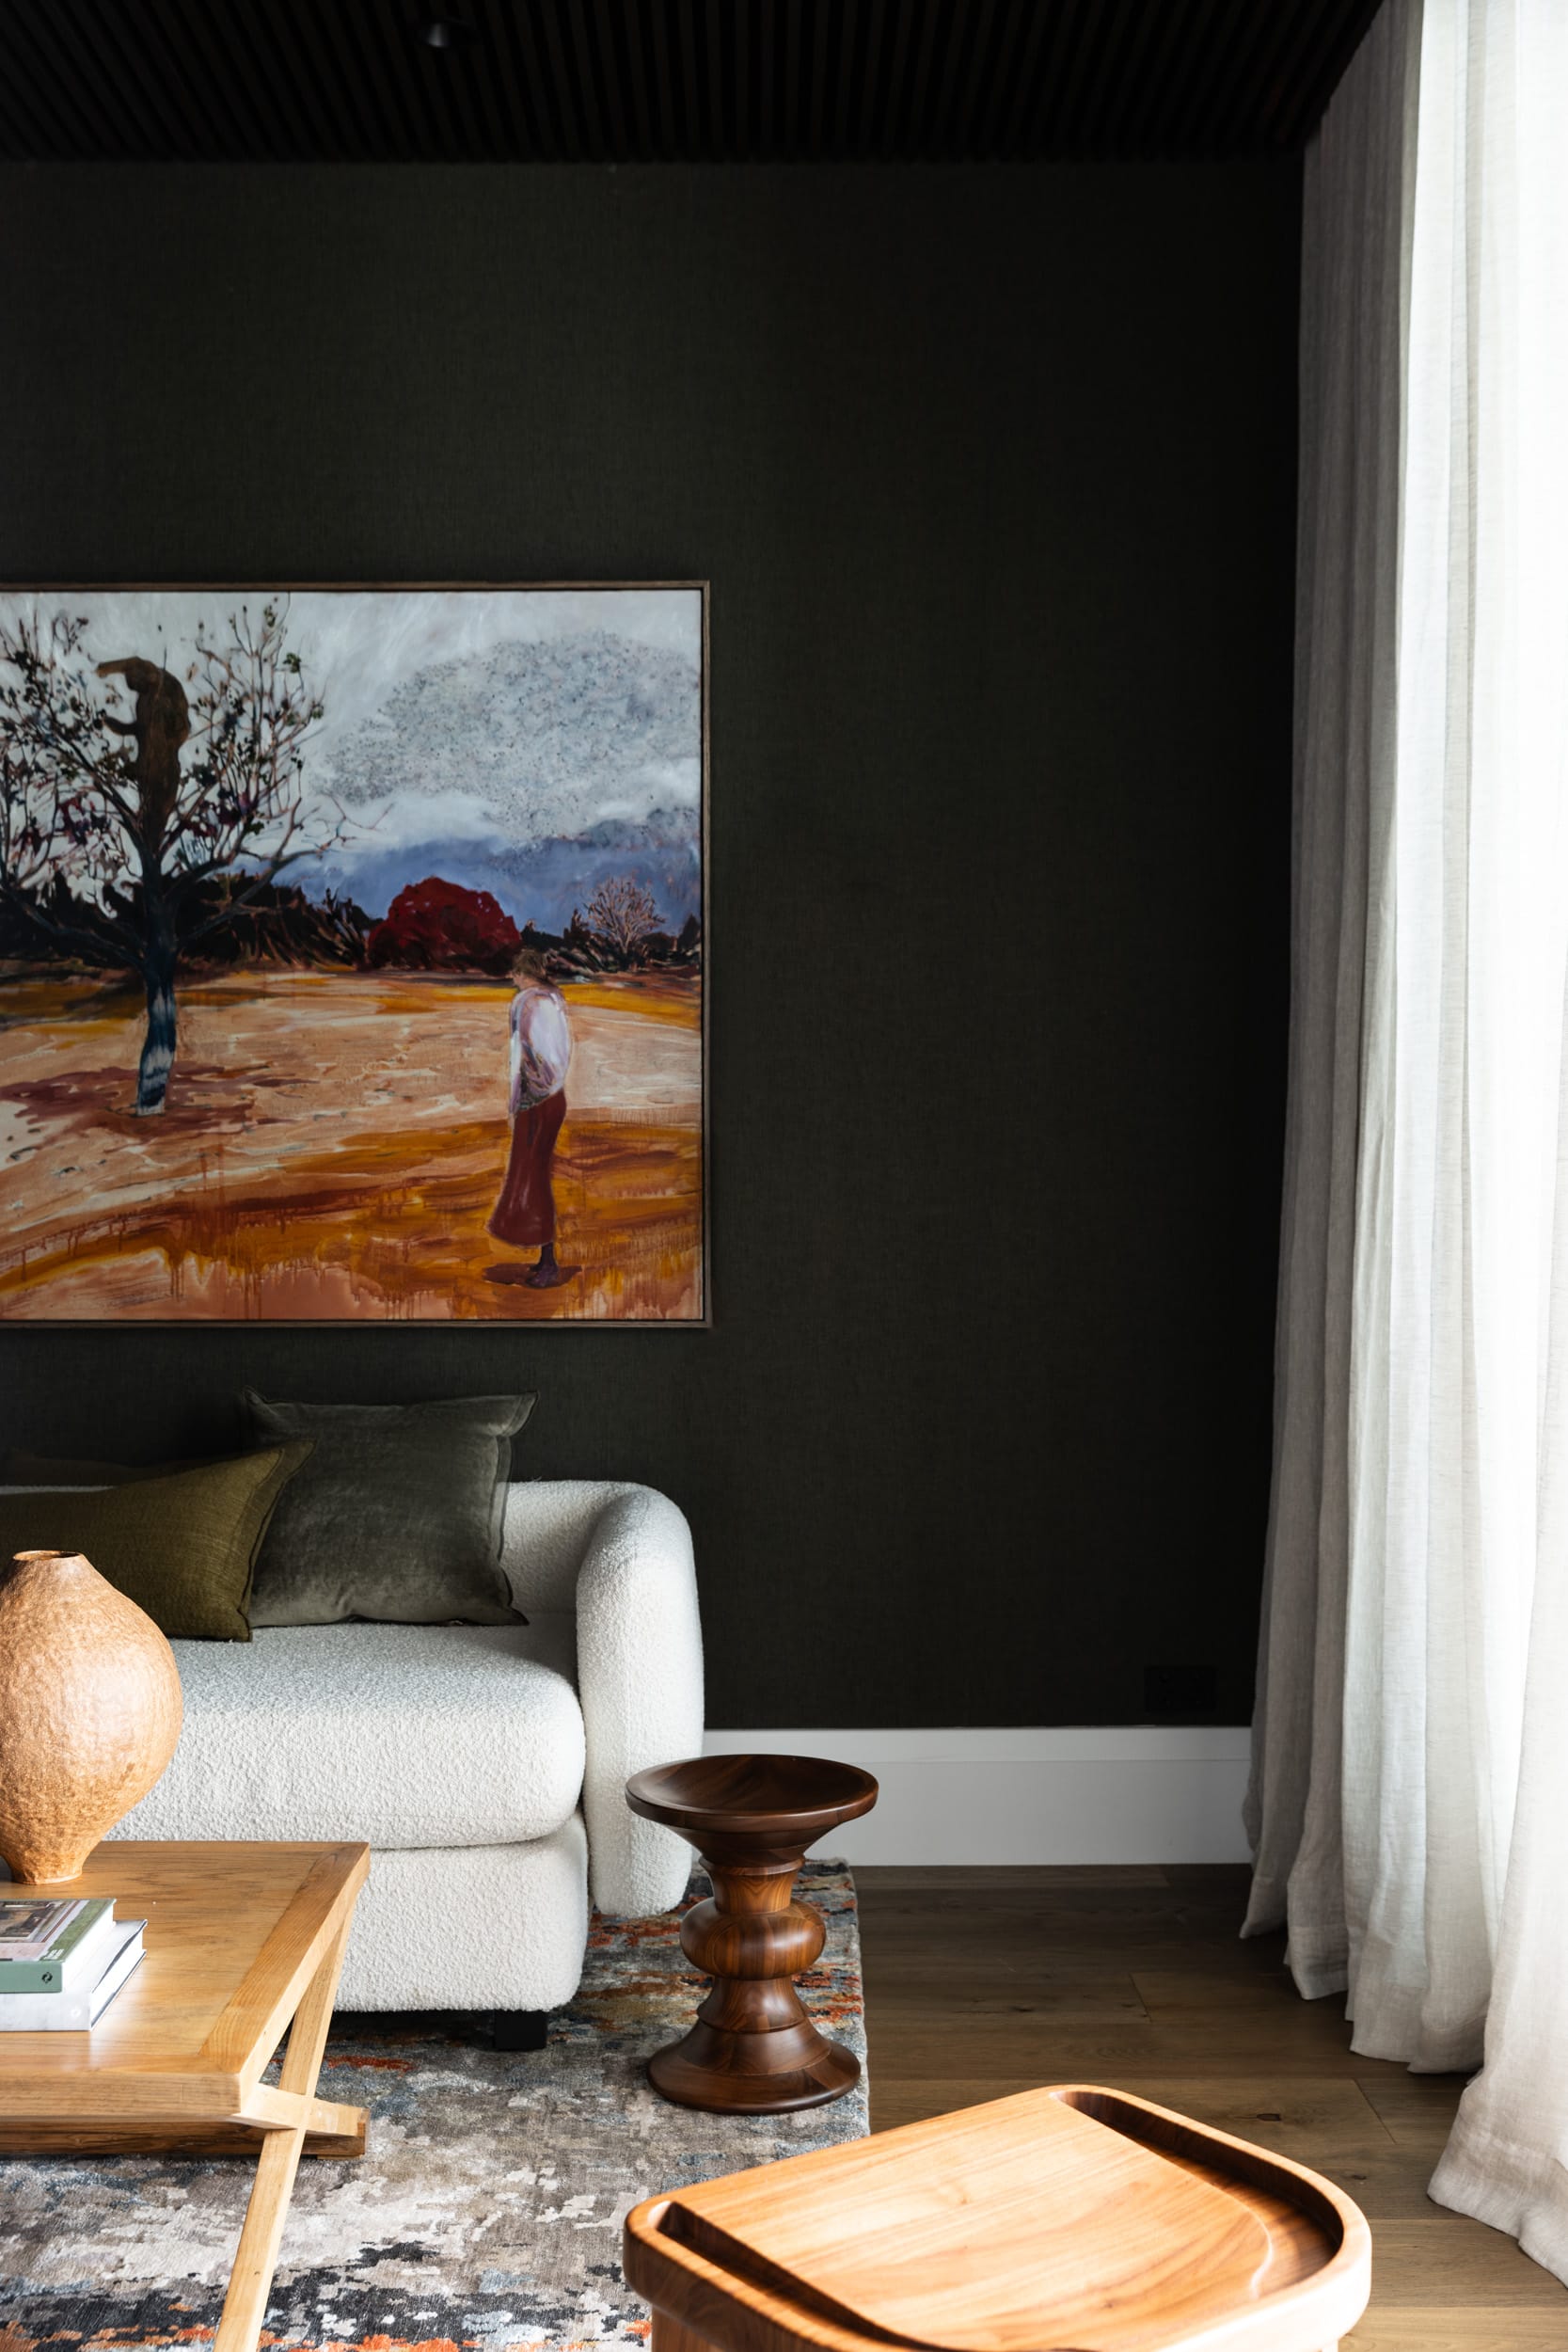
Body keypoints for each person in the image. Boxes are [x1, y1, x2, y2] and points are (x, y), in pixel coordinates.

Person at [487, 947, 578, 1287]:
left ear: (523, 974)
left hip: (536, 1101)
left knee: (533, 1177)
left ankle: (549, 1262)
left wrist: (517, 1102)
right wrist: (548, 1086)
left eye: (515, 973)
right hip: (554, 1098)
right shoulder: (555, 1000)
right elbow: (559, 1055)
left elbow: (522, 1057)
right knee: (534, 1175)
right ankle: (544, 1257)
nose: (512, 979)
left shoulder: (525, 1002)